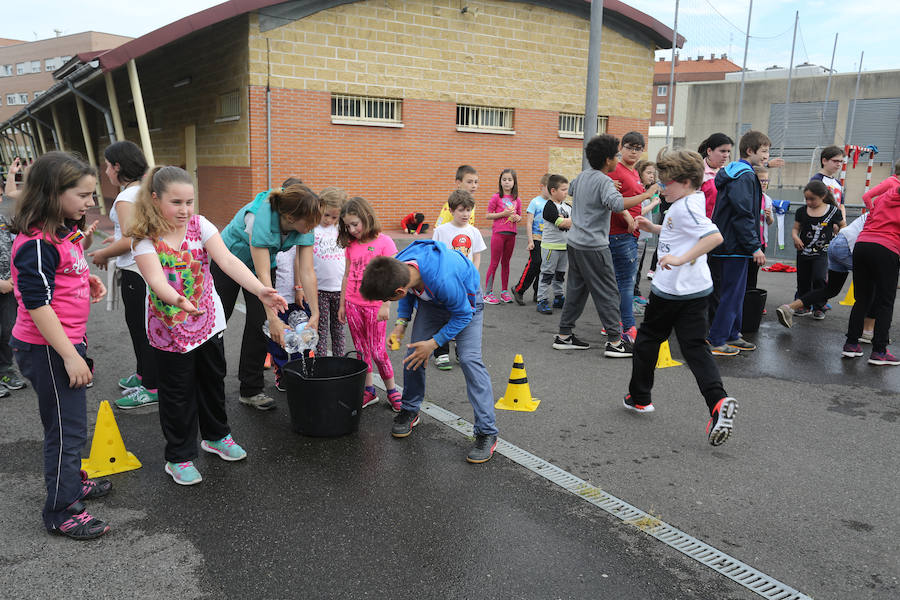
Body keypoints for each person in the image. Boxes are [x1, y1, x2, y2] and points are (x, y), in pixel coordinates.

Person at [131, 166, 287, 485]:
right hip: (169, 329)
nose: (185, 210)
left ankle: (216, 437)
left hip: (207, 322)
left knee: (213, 381)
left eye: (189, 202)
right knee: (177, 392)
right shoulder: (145, 239)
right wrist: (179, 301)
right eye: (176, 202)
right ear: (155, 199)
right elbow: (157, 281)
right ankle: (179, 456)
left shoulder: (200, 225)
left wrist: (260, 289)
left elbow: (227, 260)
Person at [10, 151, 111, 539]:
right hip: (49, 350)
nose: (90, 202)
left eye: (91, 194)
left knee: (70, 424)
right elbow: (36, 303)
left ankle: (69, 482)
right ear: (52, 194)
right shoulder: (36, 244)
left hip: (64, 344)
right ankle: (60, 508)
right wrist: (69, 356)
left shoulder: (63, 232)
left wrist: (87, 280)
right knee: (67, 430)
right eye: (83, 195)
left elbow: (63, 273)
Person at [624, 148, 737, 446]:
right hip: (696, 290)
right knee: (695, 348)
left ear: (685, 182)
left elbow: (714, 237)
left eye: (666, 182)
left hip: (672, 291)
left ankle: (639, 397)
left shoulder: (685, 207)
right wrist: (654, 227)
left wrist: (679, 259)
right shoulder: (689, 201)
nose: (662, 187)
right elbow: (682, 230)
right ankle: (717, 402)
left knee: (648, 340)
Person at [361, 241, 498, 463]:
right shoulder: (399, 265)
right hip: (433, 303)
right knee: (414, 354)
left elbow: (463, 314)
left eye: (387, 299)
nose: (387, 302)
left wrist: (433, 344)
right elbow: (409, 291)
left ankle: (487, 432)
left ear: (397, 291)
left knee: (469, 361)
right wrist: (401, 323)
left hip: (466, 304)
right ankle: (410, 409)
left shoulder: (443, 278)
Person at [216, 179, 320, 410]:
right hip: (228, 261)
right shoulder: (259, 218)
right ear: (290, 217)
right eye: (310, 223)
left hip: (263, 264)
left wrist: (315, 313)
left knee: (259, 323)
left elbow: (307, 271)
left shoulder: (304, 221)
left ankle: (251, 390)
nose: (314, 227)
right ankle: (208, 384)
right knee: (217, 323)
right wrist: (273, 318)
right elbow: (261, 274)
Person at [552, 134, 641, 358]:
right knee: (608, 292)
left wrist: (605, 186)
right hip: (594, 247)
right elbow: (617, 204)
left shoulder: (583, 176)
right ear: (608, 160)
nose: (618, 159)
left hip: (575, 243)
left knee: (576, 290)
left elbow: (572, 190)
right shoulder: (603, 181)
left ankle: (564, 335)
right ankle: (615, 342)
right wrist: (647, 194)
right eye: (616, 156)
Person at [86, 141, 159, 408]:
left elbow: (132, 238)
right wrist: (114, 242)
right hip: (143, 268)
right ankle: (143, 375)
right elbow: (136, 232)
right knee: (141, 326)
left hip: (135, 270)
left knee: (141, 329)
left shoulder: (126, 197)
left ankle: (151, 386)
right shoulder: (142, 190)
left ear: (118, 166)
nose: (105, 172)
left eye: (107, 166)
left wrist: (104, 254)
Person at [706, 130, 769, 356]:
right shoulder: (744, 176)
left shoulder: (737, 172)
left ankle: (732, 334)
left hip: (730, 243)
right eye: (764, 151)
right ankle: (717, 339)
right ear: (750, 151)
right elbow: (742, 213)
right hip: (734, 245)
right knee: (731, 293)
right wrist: (754, 246)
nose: (766, 156)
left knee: (736, 292)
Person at [337, 197, 401, 410]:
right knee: (361, 350)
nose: (352, 230)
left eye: (355, 224)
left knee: (378, 351)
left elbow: (394, 277)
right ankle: (369, 390)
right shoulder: (351, 245)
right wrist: (342, 305)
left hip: (375, 306)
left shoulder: (385, 242)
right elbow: (347, 275)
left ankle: (392, 391)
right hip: (352, 304)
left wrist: (386, 304)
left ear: (366, 217)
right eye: (347, 226)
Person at [776, 211, 873, 334]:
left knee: (831, 289)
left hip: (837, 243)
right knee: (872, 290)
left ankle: (789, 308)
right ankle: (866, 332)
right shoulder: (888, 211)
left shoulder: (876, 208)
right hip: (850, 247)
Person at [840, 181, 900, 365]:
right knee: (885, 302)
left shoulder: (884, 196)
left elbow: (869, 204)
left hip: (862, 244)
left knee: (862, 298)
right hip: (886, 248)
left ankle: (851, 344)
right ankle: (879, 351)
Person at [608, 132, 660, 340]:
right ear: (621, 148)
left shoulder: (634, 173)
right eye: (630, 147)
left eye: (638, 149)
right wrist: (629, 217)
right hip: (619, 234)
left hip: (631, 234)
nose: (634, 152)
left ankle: (616, 324)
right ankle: (626, 327)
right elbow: (613, 200)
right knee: (625, 283)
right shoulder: (616, 171)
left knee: (622, 283)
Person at [430, 189, 486, 370]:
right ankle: (441, 352)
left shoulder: (474, 232)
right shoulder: (441, 231)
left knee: (464, 316)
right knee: (443, 316)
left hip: (466, 283)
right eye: (461, 210)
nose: (465, 214)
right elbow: (436, 256)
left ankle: (462, 350)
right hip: (446, 283)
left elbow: (476, 256)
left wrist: (473, 276)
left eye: (469, 210)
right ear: (452, 210)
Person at [789, 180, 844, 320]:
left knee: (819, 278)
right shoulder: (801, 211)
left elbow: (844, 226)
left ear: (823, 196)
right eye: (806, 199)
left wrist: (838, 232)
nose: (808, 202)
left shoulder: (833, 211)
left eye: (812, 199)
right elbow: (795, 229)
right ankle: (804, 305)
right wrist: (795, 237)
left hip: (823, 252)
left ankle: (820, 306)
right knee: (803, 280)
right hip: (803, 252)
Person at [310, 187, 347, 358]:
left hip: (340, 289)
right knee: (320, 331)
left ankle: (339, 363)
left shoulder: (342, 230)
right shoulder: (312, 229)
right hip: (319, 290)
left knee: (339, 330)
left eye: (334, 217)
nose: (329, 220)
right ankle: (322, 364)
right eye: (326, 215)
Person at [483, 169, 522, 304]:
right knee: (494, 263)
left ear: (514, 182)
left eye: (509, 180)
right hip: (498, 234)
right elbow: (488, 215)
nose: (507, 182)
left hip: (511, 235)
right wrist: (503, 214)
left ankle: (504, 291)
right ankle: (488, 293)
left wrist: (517, 218)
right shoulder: (496, 197)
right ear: (500, 182)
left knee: (506, 263)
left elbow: (519, 216)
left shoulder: (517, 199)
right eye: (504, 179)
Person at [511, 174, 549, 305]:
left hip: (548, 240)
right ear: (542, 187)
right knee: (535, 262)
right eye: (549, 188)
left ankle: (538, 293)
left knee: (544, 266)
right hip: (536, 238)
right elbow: (529, 223)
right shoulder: (535, 202)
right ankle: (519, 289)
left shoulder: (552, 203)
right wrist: (530, 240)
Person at [535, 175, 571, 315]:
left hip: (564, 247)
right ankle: (542, 299)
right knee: (547, 274)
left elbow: (571, 222)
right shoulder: (549, 207)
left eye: (567, 189)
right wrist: (569, 221)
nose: (566, 192)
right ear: (553, 191)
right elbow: (561, 223)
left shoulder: (567, 207)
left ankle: (558, 296)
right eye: (563, 189)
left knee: (560, 274)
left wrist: (568, 220)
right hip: (551, 247)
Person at [633, 160, 659, 308]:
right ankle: (631, 296)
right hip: (636, 235)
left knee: (639, 267)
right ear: (639, 173)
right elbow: (638, 212)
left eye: (653, 173)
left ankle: (635, 293)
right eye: (648, 173)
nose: (652, 176)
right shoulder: (638, 191)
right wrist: (653, 203)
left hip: (644, 235)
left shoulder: (646, 191)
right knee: (633, 267)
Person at [746, 164, 775, 291]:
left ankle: (751, 296)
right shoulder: (749, 197)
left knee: (753, 273)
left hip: (761, 241)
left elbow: (770, 222)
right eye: (761, 180)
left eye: (766, 180)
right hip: (749, 240)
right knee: (745, 272)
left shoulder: (767, 199)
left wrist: (769, 216)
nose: (764, 183)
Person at [698, 133, 734, 218]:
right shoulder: (697, 172)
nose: (726, 155)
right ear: (709, 151)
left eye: (728, 151)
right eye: (722, 151)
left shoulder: (727, 173)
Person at [810, 145, 846, 211]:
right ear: (824, 161)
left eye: (841, 161)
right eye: (835, 161)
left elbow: (841, 205)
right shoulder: (816, 180)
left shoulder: (838, 183)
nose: (839, 164)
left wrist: (843, 217)